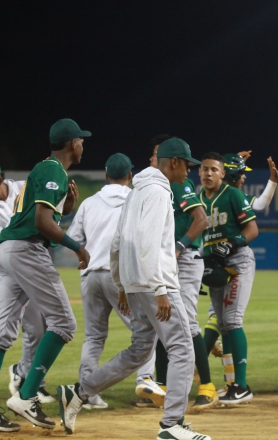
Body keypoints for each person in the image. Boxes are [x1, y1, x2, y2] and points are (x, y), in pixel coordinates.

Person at [55, 137, 210, 440]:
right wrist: (160, 289)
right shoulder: (158, 193)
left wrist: (122, 284)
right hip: (156, 283)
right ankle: (172, 426)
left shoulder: (137, 191)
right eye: (187, 165)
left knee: (139, 351)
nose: (189, 172)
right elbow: (147, 243)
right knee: (181, 349)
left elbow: (118, 241)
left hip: (136, 284)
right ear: (174, 163)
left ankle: (79, 391)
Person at [0, 118, 90, 431]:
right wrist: (77, 247)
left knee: (1, 333)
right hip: (25, 249)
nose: (83, 145)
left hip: (8, 251)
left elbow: (41, 215)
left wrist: (67, 208)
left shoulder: (43, 169)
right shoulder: (53, 169)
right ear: (72, 143)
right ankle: (26, 395)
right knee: (64, 323)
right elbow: (40, 221)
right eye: (81, 140)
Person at [0, 156, 56, 431]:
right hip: (9, 269)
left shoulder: (23, 188)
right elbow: (7, 240)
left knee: (39, 330)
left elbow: (46, 212)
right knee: (10, 331)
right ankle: (18, 390)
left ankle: (24, 380)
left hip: (35, 263)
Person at [66, 153, 158, 410]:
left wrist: (82, 257)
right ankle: (145, 380)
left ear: (106, 176)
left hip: (90, 276)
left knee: (94, 337)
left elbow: (74, 238)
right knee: (146, 331)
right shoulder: (135, 200)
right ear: (130, 176)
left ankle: (86, 393)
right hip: (120, 277)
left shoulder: (89, 203)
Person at [150, 139, 216, 412]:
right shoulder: (158, 186)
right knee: (163, 321)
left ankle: (208, 387)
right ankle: (163, 386)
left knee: (188, 323)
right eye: (188, 164)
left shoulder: (180, 185)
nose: (190, 170)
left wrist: (179, 246)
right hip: (170, 260)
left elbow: (201, 220)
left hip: (186, 259)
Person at [198, 152, 259, 405]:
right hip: (214, 265)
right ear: (199, 172)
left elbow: (252, 229)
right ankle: (232, 384)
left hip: (238, 261)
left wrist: (233, 242)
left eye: (214, 169)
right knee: (223, 325)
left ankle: (242, 387)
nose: (208, 173)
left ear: (223, 173)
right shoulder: (198, 199)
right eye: (204, 169)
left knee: (233, 320)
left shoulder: (233, 194)